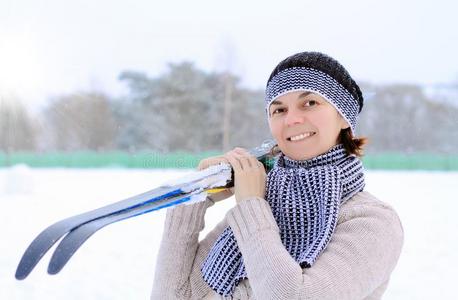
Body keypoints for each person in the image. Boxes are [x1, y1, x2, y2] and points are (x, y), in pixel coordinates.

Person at [151, 51, 404, 300]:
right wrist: (194, 198)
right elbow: (173, 296)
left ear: (343, 117)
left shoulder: (373, 222)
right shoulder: (262, 207)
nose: (292, 119)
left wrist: (251, 205)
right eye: (279, 110)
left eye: (310, 103)